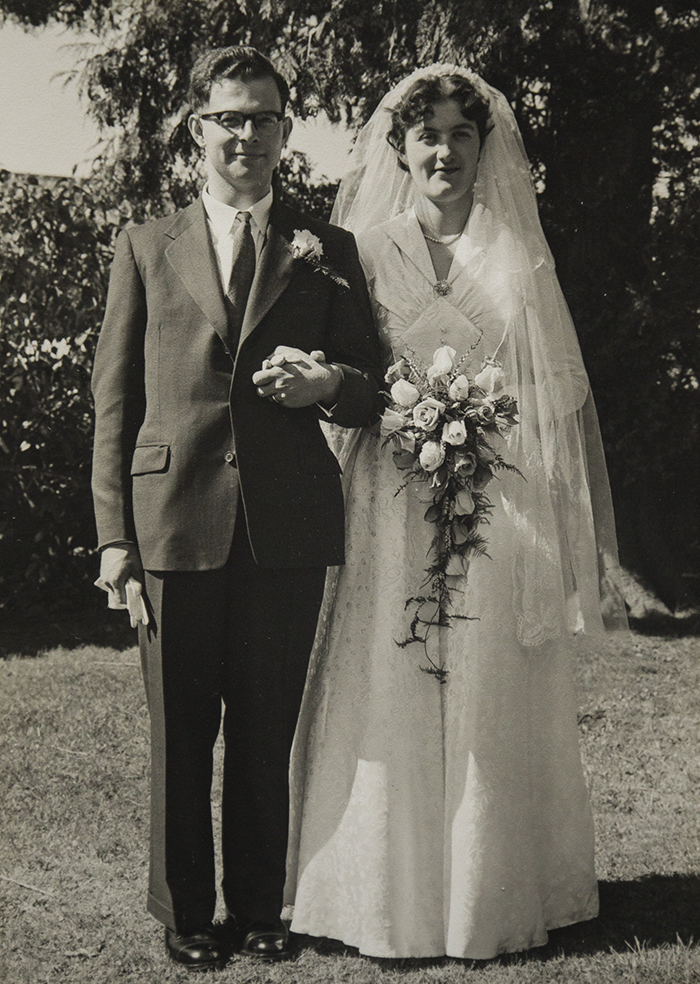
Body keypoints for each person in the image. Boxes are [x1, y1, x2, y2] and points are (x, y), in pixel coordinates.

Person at [285, 65, 628, 959]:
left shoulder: (516, 253)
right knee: (386, 676)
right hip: (387, 495)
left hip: (492, 493)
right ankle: (384, 895)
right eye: (427, 134)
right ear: (400, 149)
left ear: (486, 148)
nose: (444, 150)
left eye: (461, 135)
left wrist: (482, 414)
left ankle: (489, 886)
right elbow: (341, 374)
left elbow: (559, 379)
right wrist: (400, 411)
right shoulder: (361, 250)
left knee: (483, 673)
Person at [91, 45, 383, 970]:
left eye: (262, 117)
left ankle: (261, 907)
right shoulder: (143, 245)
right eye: (228, 118)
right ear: (196, 130)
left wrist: (327, 385)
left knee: (266, 729)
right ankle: (183, 914)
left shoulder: (326, 251)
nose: (245, 135)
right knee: (181, 736)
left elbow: (373, 388)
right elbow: (114, 404)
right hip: (171, 520)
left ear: (286, 133)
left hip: (286, 527)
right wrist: (112, 539)